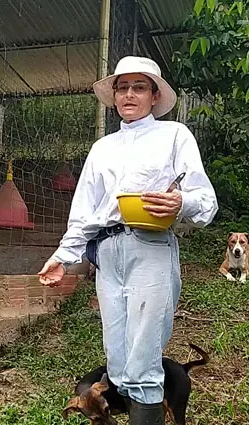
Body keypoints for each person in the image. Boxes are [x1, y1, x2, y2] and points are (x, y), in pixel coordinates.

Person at [37, 56, 218, 425]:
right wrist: (64, 256)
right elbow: (85, 211)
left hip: (150, 245)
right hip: (106, 252)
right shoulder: (102, 148)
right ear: (115, 96)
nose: (129, 95)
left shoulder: (174, 136)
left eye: (139, 87)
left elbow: (206, 200)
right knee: (117, 355)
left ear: (154, 96)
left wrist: (181, 201)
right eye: (123, 87)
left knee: (144, 352)